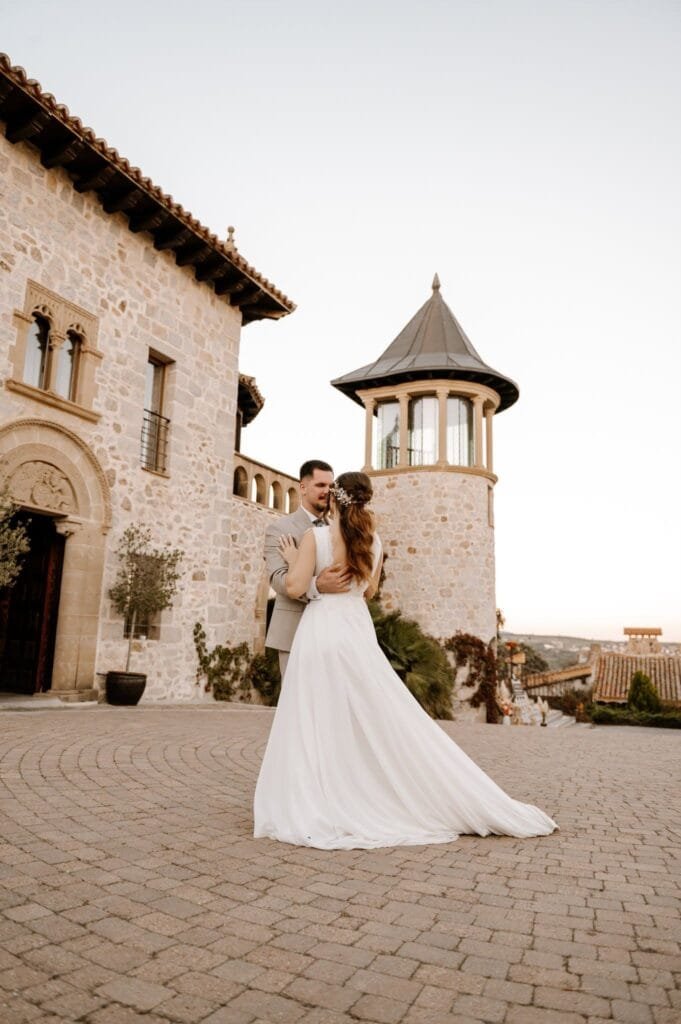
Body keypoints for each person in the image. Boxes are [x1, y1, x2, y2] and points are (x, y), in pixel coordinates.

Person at [254, 471, 558, 850]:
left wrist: (295, 558)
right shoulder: (375, 541)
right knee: (365, 712)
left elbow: (296, 587)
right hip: (355, 631)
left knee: (315, 714)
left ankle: (323, 793)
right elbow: (370, 590)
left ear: (334, 498)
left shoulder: (312, 539)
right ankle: (358, 789)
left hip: (321, 632)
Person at [264, 460, 351, 679]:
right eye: (320, 485)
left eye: (331, 486)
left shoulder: (339, 529)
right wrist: (317, 585)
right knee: (297, 706)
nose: (327, 492)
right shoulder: (280, 529)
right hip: (294, 630)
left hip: (333, 631)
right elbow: (279, 581)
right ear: (302, 487)